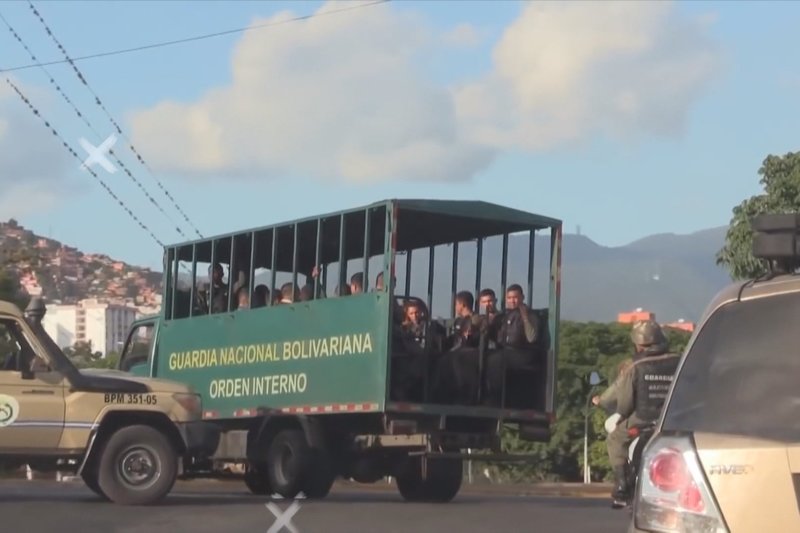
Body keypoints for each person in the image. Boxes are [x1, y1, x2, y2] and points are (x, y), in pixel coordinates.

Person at [598, 319, 681, 508]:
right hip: (673, 420)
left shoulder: (635, 365)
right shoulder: (680, 360)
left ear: (639, 343)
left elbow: (625, 402)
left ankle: (622, 485)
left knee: (615, 439)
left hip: (643, 419)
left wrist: (604, 404)